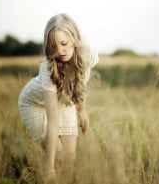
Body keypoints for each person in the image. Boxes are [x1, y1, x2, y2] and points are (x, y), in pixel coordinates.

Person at [18, 13, 99, 182]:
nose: (60, 51)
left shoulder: (87, 52)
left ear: (74, 39)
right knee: (58, 157)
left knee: (70, 158)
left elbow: (80, 82)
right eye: (53, 46)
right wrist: (48, 169)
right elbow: (53, 121)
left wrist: (82, 110)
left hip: (64, 100)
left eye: (64, 44)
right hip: (34, 104)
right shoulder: (48, 68)